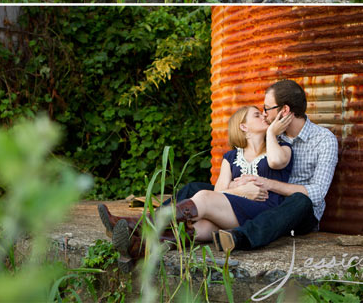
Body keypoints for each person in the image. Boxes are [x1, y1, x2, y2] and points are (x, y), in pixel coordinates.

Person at [105, 79, 338, 262]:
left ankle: (241, 236)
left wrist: (266, 184)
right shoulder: (273, 134)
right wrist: (238, 187)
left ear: (285, 110)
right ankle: (139, 242)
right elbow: (245, 162)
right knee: (195, 189)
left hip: (295, 211)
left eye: (267, 109)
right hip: (258, 199)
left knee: (300, 200)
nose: (264, 113)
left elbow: (317, 193)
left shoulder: (323, 140)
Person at [97, 104, 293, 267]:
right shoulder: (231, 157)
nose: (264, 117)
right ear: (243, 127)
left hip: (263, 212)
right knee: (202, 227)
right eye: (257, 115)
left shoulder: (282, 148)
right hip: (233, 213)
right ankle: (138, 247)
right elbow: (220, 191)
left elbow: (276, 162)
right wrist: (240, 191)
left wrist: (272, 133)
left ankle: (136, 225)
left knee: (204, 197)